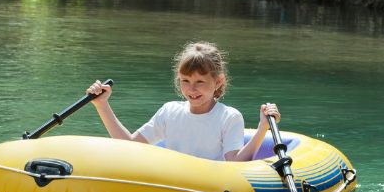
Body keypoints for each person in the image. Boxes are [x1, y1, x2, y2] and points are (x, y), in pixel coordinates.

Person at [87, 41, 280, 162]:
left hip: (212, 191)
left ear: (218, 81)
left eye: (200, 82)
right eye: (185, 81)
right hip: (174, 187)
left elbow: (235, 163)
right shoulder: (169, 111)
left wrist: (262, 128)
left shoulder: (229, 117)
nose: (191, 89)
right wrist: (102, 105)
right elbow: (129, 145)